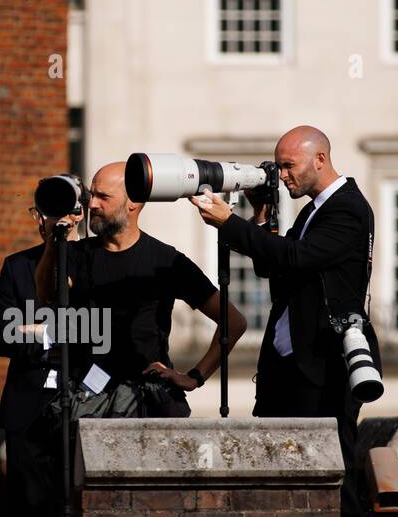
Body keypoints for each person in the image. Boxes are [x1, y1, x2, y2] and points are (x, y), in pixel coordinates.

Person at [188, 124, 382, 517]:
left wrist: (229, 223)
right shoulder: (313, 211)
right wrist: (260, 217)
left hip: (324, 364)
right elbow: (274, 268)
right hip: (291, 366)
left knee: (333, 462)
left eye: (288, 166)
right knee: (279, 460)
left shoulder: (347, 208)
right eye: (278, 167)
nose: (284, 175)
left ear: (320, 159)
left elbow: (296, 257)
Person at [34, 161, 246, 416]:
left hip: (149, 403)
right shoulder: (76, 254)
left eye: (103, 197)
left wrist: (195, 376)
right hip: (89, 402)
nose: (92, 205)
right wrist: (52, 245)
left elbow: (233, 322)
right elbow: (46, 295)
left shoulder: (166, 261)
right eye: (92, 195)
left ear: (132, 202)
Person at [0, 206, 68, 517]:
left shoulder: (100, 261)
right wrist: (55, 331)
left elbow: (105, 332)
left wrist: (35, 329)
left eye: (60, 208)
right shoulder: (17, 266)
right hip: (27, 408)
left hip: (86, 402)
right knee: (26, 512)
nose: (46, 220)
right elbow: (0, 337)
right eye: (41, 210)